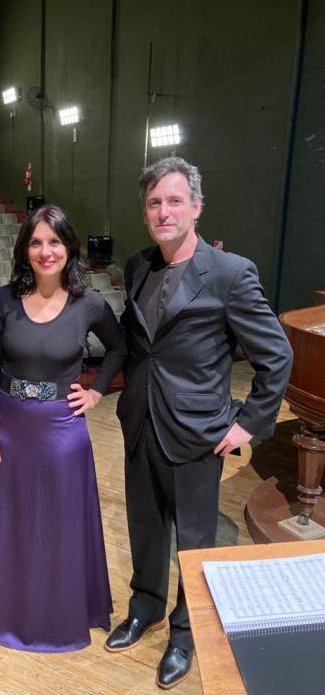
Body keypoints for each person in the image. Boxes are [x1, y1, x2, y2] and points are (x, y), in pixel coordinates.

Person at [104, 157, 293, 689]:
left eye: (174, 201)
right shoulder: (138, 266)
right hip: (141, 422)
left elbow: (276, 355)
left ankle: (185, 634)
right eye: (154, 203)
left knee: (194, 540)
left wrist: (248, 424)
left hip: (197, 433)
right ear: (145, 212)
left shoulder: (231, 273)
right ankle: (145, 608)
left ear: (196, 208)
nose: (164, 212)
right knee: (144, 528)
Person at [0, 204, 126, 652]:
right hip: (9, 427)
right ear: (25, 250)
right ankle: (9, 613)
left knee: (59, 526)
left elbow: (119, 348)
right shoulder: (4, 300)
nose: (46, 251)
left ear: (69, 247)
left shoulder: (89, 303)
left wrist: (96, 392)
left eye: (54, 242)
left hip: (62, 430)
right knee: (12, 523)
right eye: (37, 242)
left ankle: (59, 617)